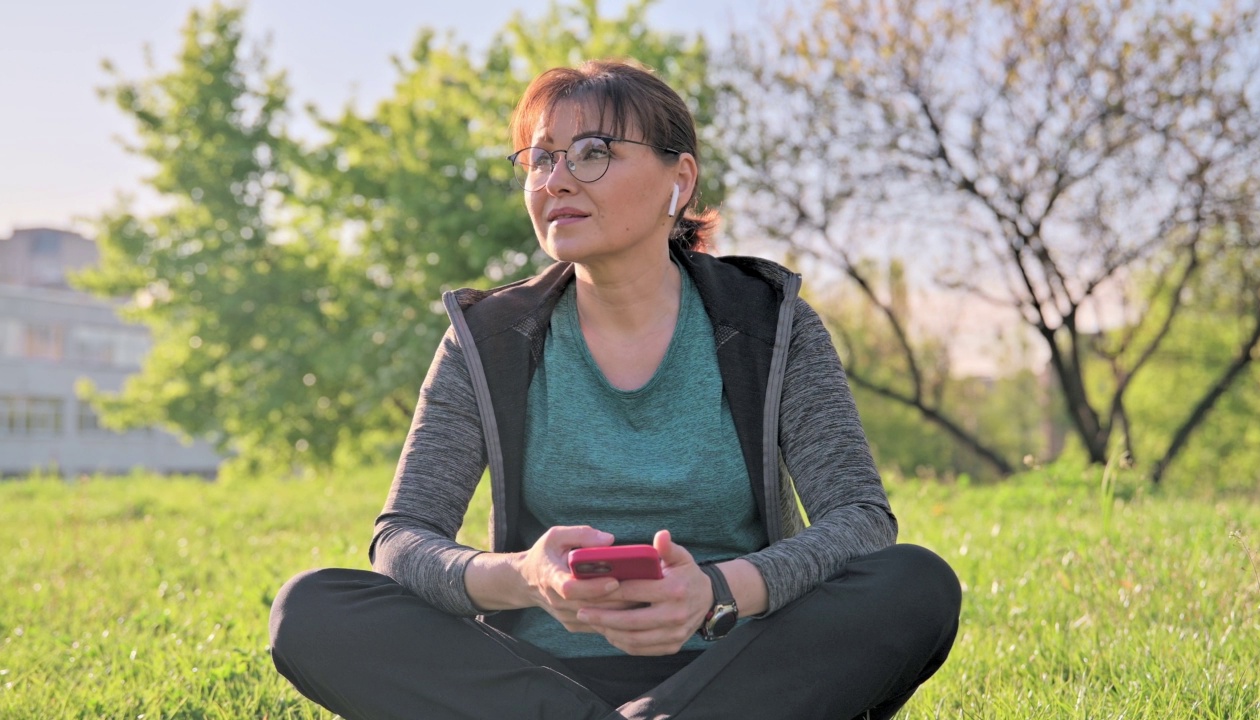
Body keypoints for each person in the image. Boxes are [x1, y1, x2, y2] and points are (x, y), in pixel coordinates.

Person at [269, 59, 961, 720]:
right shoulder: (486, 340)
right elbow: (403, 539)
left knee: (915, 585)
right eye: (541, 159)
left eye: (592, 151)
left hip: (738, 666)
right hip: (532, 682)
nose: (556, 180)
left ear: (678, 181)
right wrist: (524, 577)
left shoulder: (770, 323)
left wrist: (717, 591)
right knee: (312, 608)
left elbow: (860, 520)